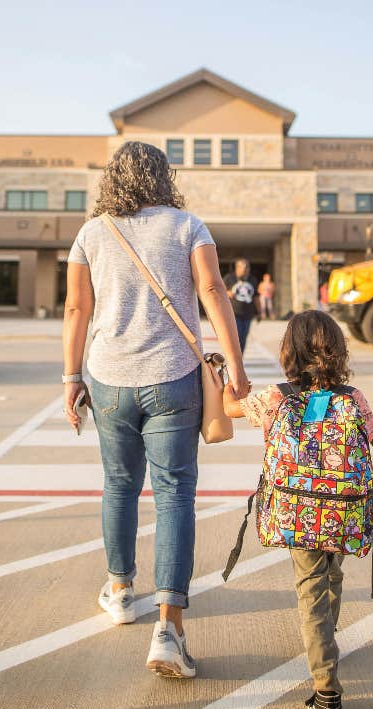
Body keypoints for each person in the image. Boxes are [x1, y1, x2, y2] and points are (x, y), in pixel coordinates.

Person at [63, 140, 251, 679]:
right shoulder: (188, 225)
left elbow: (78, 307)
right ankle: (169, 628)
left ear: (112, 179)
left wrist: (71, 378)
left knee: (119, 485)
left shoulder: (91, 232)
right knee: (174, 496)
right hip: (174, 378)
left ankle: (120, 590)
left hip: (109, 379)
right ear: (162, 176)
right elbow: (213, 290)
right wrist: (234, 366)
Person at [223, 310, 373, 709]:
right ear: (338, 351)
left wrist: (222, 381)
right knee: (331, 576)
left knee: (311, 591)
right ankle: (327, 643)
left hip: (298, 512)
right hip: (342, 512)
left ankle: (326, 690)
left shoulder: (276, 398)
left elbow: (229, 408)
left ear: (289, 351)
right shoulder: (352, 398)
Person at [223, 257, 258, 351]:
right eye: (244, 267)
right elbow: (219, 291)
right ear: (237, 267)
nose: (246, 269)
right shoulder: (229, 278)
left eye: (248, 267)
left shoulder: (252, 279)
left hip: (248, 314)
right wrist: (227, 293)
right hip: (234, 313)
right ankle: (234, 358)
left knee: (243, 337)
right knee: (236, 337)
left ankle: (240, 358)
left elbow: (256, 297)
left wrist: (259, 312)